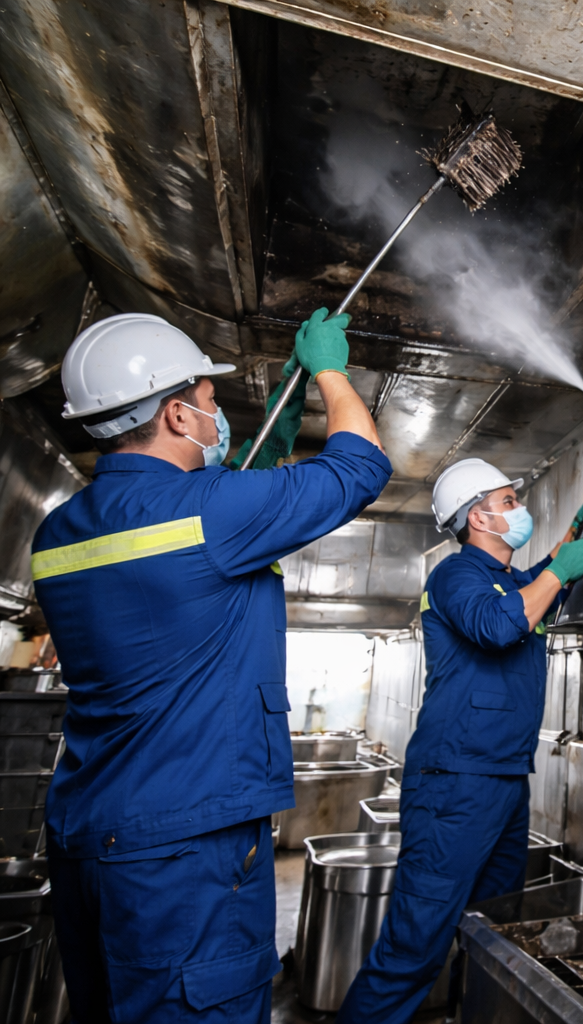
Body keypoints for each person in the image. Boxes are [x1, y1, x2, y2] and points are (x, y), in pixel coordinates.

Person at [31, 308, 389, 1021]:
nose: (213, 409)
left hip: (90, 836)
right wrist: (328, 370)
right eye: (205, 397)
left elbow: (184, 544)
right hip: (185, 852)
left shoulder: (58, 532)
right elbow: (360, 467)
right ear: (174, 414)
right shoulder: (211, 514)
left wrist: (269, 443)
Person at [337, 459, 583, 1021]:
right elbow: (498, 625)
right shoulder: (454, 576)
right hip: (455, 785)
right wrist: (559, 571)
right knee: (415, 947)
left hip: (505, 781)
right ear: (477, 517)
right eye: (508, 502)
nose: (520, 509)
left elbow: (539, 588)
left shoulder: (513, 584)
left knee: (494, 932)